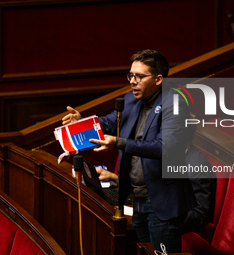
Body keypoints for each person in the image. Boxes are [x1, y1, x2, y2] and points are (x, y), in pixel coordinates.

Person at [62, 49, 197, 253]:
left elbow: (164, 147)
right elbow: (108, 123)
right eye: (131, 75)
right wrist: (82, 123)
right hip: (137, 199)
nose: (132, 81)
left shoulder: (174, 104)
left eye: (139, 76)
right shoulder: (131, 99)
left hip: (162, 203)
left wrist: (120, 143)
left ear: (159, 79)